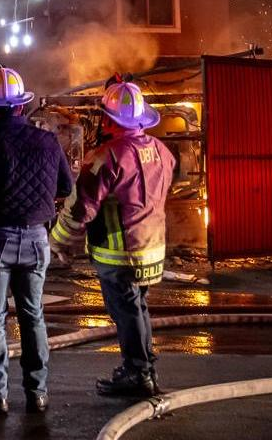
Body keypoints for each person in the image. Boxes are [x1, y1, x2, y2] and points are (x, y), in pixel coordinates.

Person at [50, 80, 174, 397]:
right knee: (137, 307)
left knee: (126, 311)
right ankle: (144, 365)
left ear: (109, 119)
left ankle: (138, 373)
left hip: (120, 254)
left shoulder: (106, 157)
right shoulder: (161, 151)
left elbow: (80, 209)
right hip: (152, 248)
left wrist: (58, 242)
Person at [0, 66, 73, 415]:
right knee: (33, 315)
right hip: (36, 238)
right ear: (21, 107)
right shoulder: (48, 140)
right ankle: (38, 392)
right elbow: (65, 188)